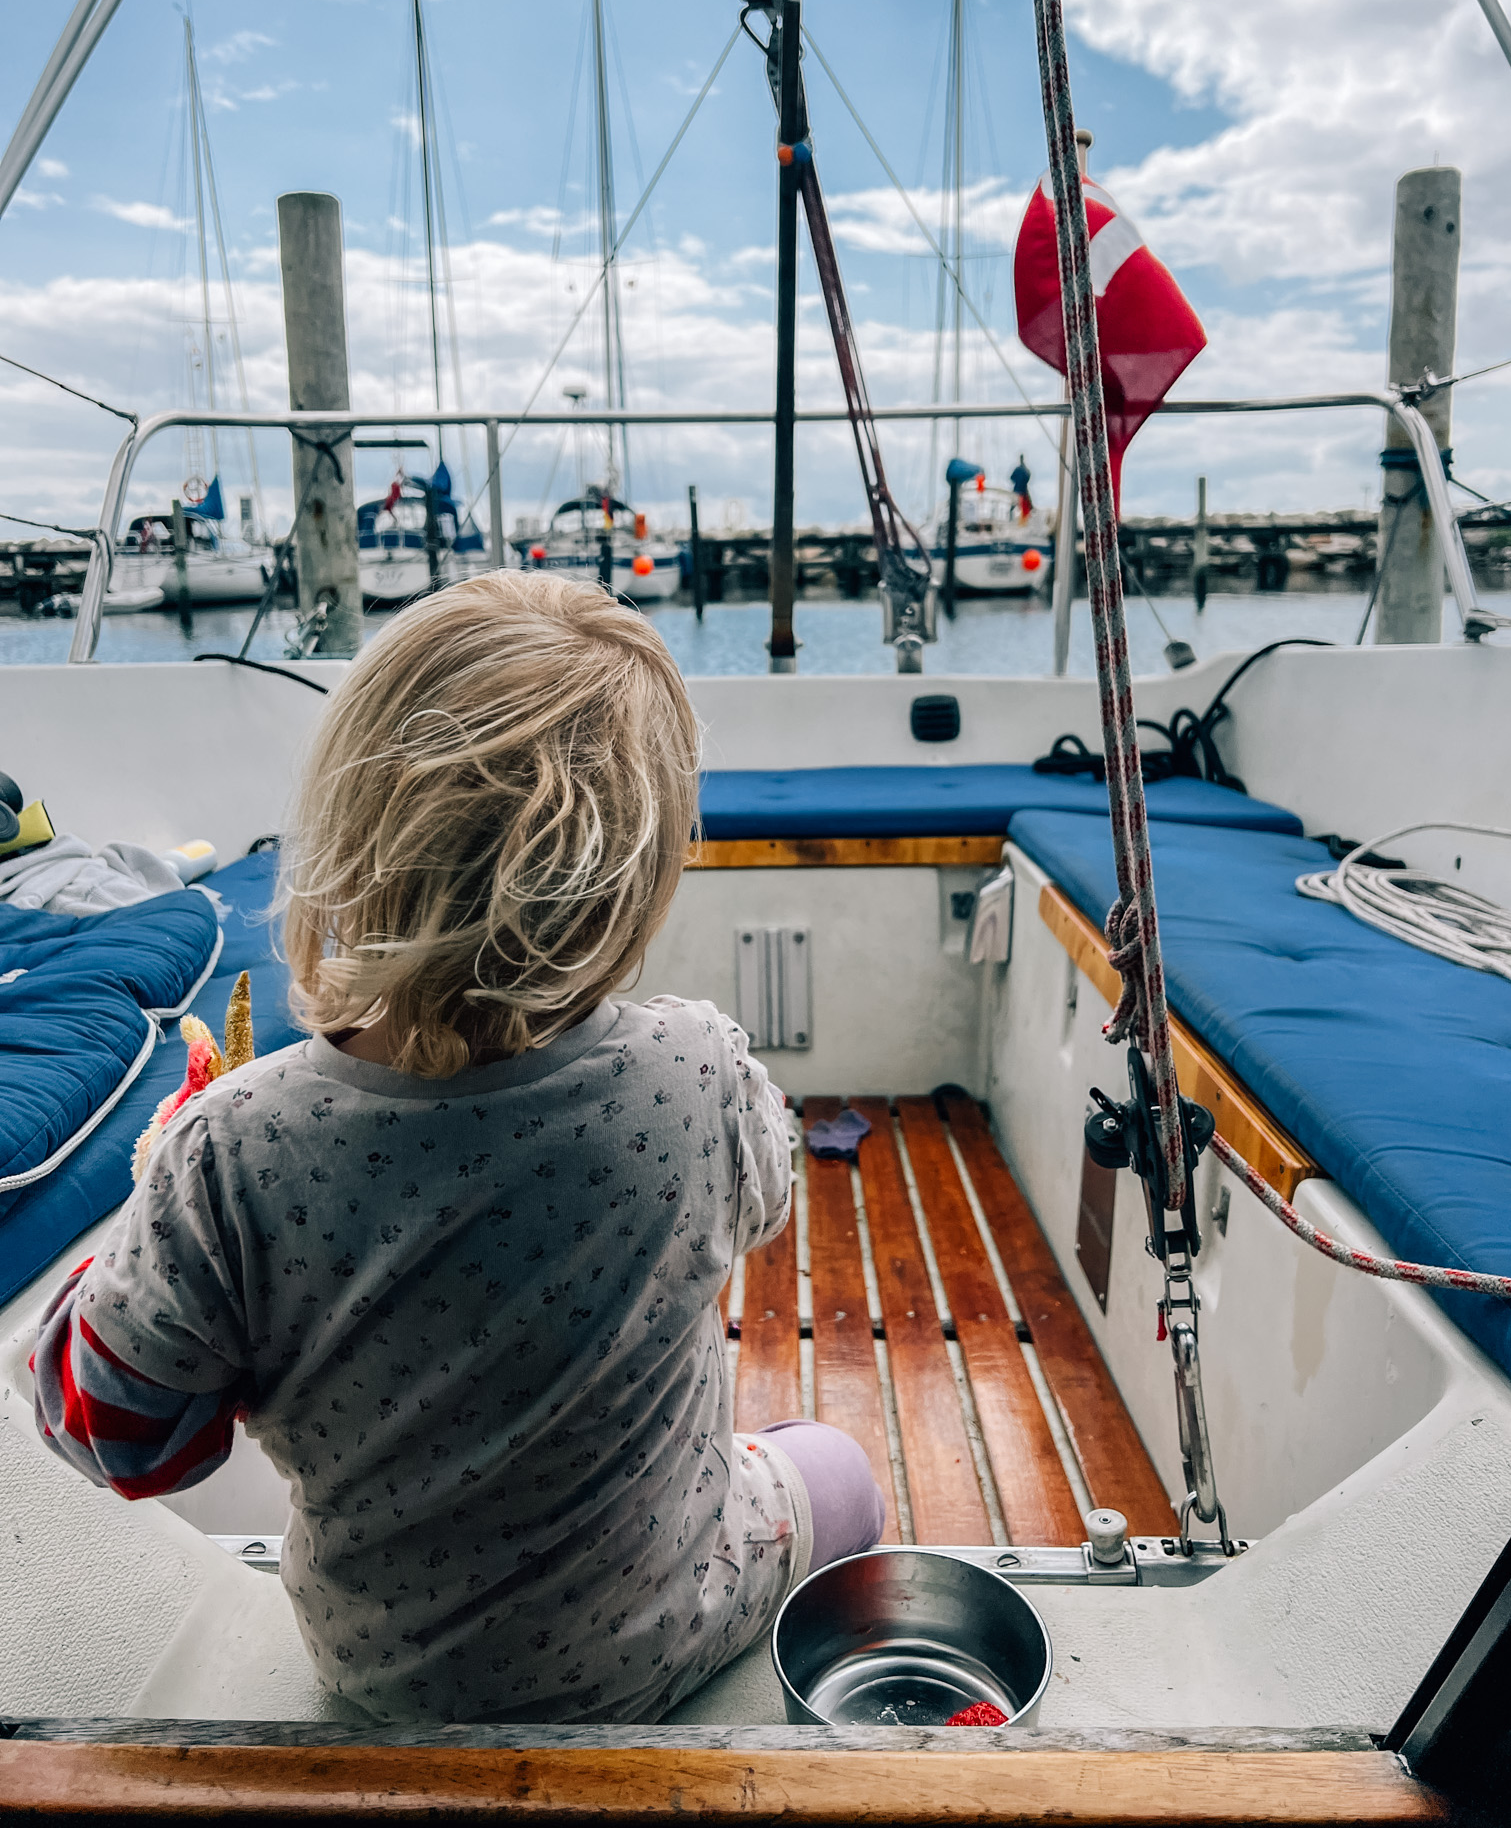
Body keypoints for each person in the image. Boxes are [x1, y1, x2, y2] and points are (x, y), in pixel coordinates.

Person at [31, 572, 884, 1723]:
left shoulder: (231, 1145)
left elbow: (130, 1444)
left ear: (347, 829)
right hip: (655, 1638)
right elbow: (768, 1191)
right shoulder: (699, 1071)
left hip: (386, 1672)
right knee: (840, 1466)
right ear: (633, 883)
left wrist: (158, 1190)